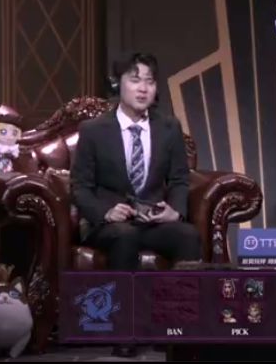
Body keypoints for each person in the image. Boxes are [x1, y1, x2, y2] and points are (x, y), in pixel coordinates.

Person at [71, 52, 202, 358]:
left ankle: (176, 330)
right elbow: (79, 187)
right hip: (108, 223)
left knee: (188, 235)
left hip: (151, 221)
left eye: (150, 81)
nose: (143, 88)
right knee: (124, 235)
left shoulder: (169, 127)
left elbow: (180, 179)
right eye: (135, 80)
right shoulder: (93, 130)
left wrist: (174, 211)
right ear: (119, 84)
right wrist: (105, 212)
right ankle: (125, 330)